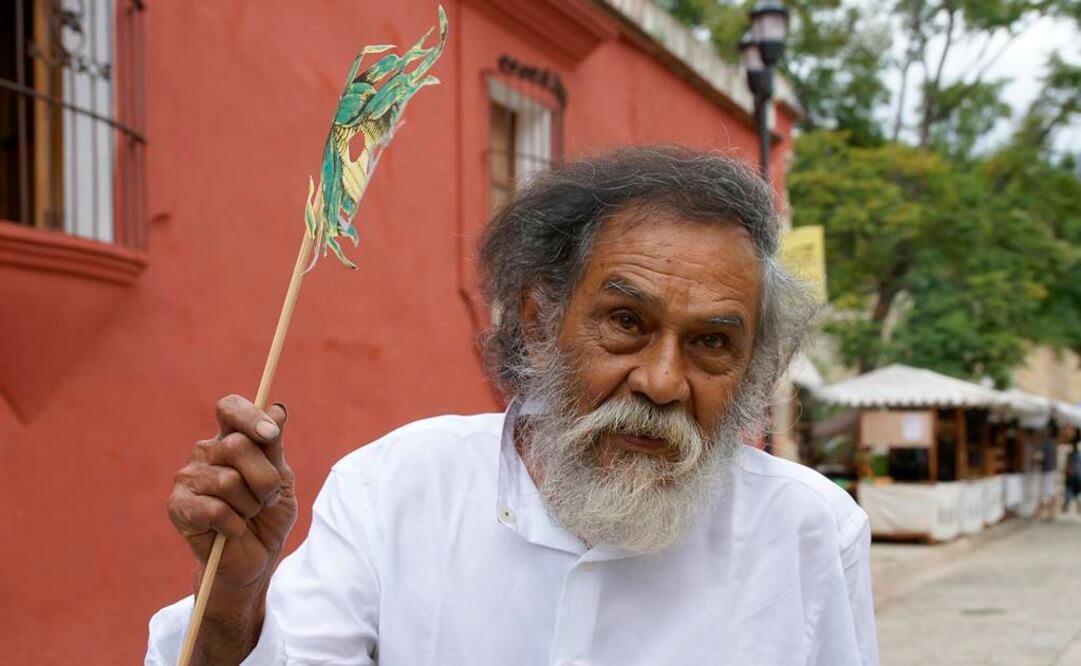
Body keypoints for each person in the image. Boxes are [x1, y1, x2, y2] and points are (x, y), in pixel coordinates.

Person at [146, 147, 879, 665]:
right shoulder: (396, 488)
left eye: (711, 342)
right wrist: (234, 595)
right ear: (537, 318)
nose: (661, 381)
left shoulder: (809, 532)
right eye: (626, 323)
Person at [1038, 420, 1060, 520]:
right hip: (1051, 470)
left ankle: (1047, 513)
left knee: (1047, 492)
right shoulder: (1053, 444)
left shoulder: (1046, 444)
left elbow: (1040, 457)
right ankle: (1051, 513)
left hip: (1047, 470)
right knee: (1049, 492)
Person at [1064, 430, 1081, 514]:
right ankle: (1075, 506)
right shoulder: (1075, 452)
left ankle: (1069, 506)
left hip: (1075, 473)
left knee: (1071, 489)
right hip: (1076, 473)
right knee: (1075, 490)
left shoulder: (1074, 453)